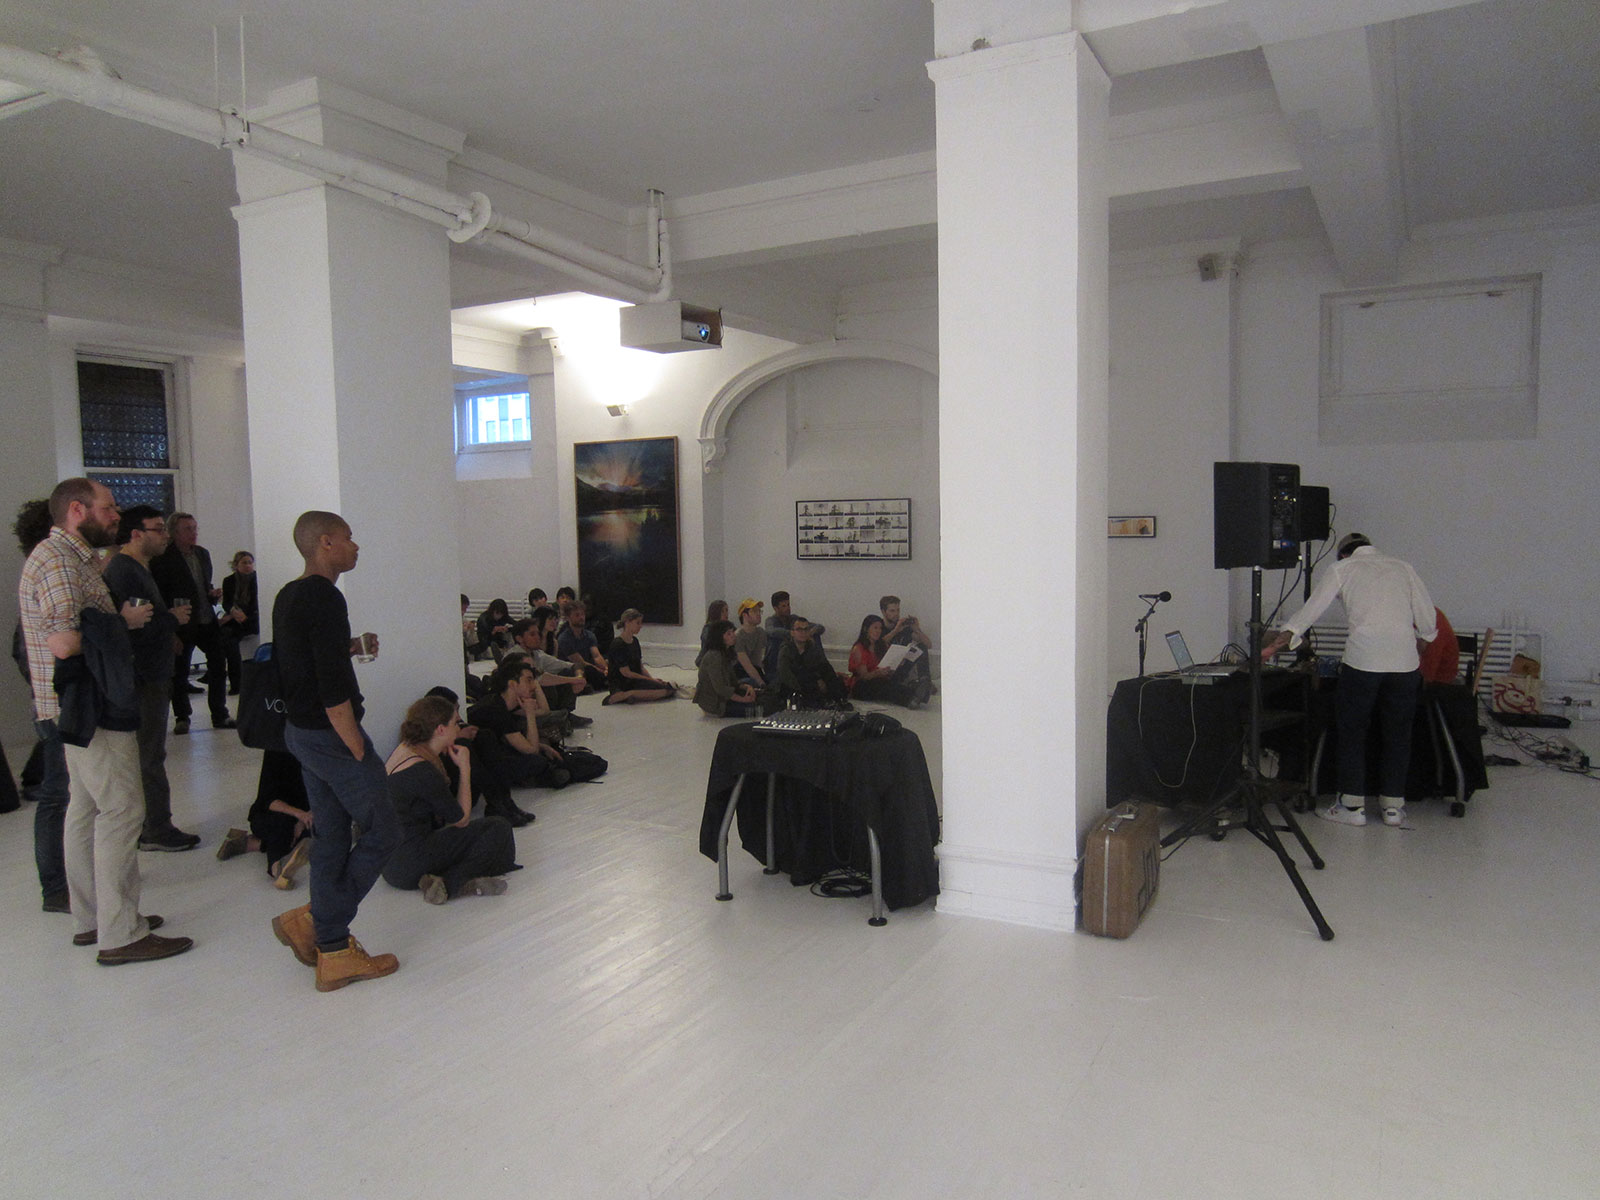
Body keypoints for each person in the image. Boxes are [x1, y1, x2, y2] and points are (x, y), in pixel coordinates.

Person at [18, 478, 192, 963]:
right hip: (89, 707)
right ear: (78, 510)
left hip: (78, 705)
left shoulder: (72, 558)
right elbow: (63, 643)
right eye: (109, 507)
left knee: (86, 808)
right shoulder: (58, 561)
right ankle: (121, 933)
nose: (116, 515)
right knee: (121, 810)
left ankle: (92, 918)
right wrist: (124, 622)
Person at [268, 510, 401, 992]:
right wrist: (356, 746)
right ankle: (320, 925)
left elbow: (301, 659)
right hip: (331, 736)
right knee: (385, 830)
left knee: (330, 835)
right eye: (348, 537)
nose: (355, 545)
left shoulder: (290, 595)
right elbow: (330, 686)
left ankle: (328, 943)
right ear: (325, 543)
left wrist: (350, 645)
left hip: (301, 733)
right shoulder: (326, 597)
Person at [1261, 532, 1437, 829]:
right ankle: (1393, 807)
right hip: (1405, 664)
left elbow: (1311, 610)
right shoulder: (1403, 567)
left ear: (1343, 554)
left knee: (1353, 731)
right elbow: (1428, 620)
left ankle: (1352, 806)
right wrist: (1416, 646)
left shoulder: (1342, 569)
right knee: (1398, 734)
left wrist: (1277, 644)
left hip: (1363, 661)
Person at [100, 504, 201, 851]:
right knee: (148, 755)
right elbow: (138, 625)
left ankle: (154, 824)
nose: (165, 536)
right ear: (136, 534)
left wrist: (168, 628)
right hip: (143, 676)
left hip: (152, 672)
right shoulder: (125, 570)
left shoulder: (138, 567)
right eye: (158, 529)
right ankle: (155, 828)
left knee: (151, 752)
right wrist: (171, 619)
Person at [381, 694, 516, 904]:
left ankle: (438, 879)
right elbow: (461, 819)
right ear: (440, 729)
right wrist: (465, 767)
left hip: (389, 863)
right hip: (409, 863)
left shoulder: (405, 749)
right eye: (455, 723)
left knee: (481, 837)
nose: (458, 727)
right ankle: (452, 882)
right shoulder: (422, 769)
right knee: (499, 829)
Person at [13, 497, 71, 912]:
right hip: (58, 704)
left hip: (53, 702)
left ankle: (68, 881)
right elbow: (29, 650)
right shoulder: (48, 569)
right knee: (57, 796)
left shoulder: (41, 567)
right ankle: (56, 887)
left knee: (64, 796)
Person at [151, 511, 233, 732]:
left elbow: (202, 586)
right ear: (174, 532)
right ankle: (182, 717)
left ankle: (220, 714)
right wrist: (170, 631)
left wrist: (212, 594)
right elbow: (161, 594)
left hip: (206, 619)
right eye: (188, 529)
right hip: (182, 623)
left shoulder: (202, 554)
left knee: (218, 666)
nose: (193, 533)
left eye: (195, 528)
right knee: (180, 671)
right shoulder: (163, 558)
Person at [466, 658, 570, 805]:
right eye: (529, 680)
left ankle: (539, 776)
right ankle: (534, 778)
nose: (534, 686)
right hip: (484, 765)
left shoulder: (502, 702)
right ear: (513, 684)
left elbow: (544, 711)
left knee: (542, 753)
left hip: (495, 753)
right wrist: (529, 713)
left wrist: (542, 746)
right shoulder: (496, 709)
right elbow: (531, 750)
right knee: (536, 760)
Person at [216, 748, 314, 888]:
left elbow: (322, 795)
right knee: (283, 826)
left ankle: (251, 843)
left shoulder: (315, 752)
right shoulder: (276, 752)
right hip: (270, 814)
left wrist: (302, 822)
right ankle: (277, 869)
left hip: (300, 817)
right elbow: (269, 801)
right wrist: (299, 815)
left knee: (318, 831)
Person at [509, 614, 592, 724]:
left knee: (567, 672)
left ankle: (564, 714)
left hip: (533, 697)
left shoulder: (537, 654)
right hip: (519, 704)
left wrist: (579, 677)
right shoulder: (515, 656)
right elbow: (540, 678)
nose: (538, 637)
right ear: (519, 639)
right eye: (532, 634)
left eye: (538, 633)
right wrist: (573, 680)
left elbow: (574, 665)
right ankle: (555, 716)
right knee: (548, 684)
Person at [849, 614, 931, 708]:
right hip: (863, 684)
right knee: (883, 686)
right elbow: (864, 676)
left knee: (889, 681)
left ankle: (918, 691)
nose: (878, 631)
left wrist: (897, 663)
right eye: (875, 628)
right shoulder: (859, 648)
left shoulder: (879, 644)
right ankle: (911, 697)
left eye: (880, 628)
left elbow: (928, 645)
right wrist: (877, 673)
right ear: (866, 629)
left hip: (881, 676)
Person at [604, 608, 676, 703]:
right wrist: (649, 680)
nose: (640, 626)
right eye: (637, 623)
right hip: (623, 683)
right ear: (627, 622)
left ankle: (630, 696)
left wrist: (651, 680)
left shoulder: (635, 641)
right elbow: (626, 673)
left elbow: (640, 667)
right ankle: (623, 695)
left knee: (668, 689)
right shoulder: (618, 644)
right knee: (664, 692)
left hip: (635, 680)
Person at [775, 616, 848, 706]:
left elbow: (824, 666)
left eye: (806, 629)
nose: (803, 632)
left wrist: (822, 680)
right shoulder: (786, 649)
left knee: (832, 677)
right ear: (792, 633)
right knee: (807, 682)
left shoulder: (812, 647)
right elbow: (784, 674)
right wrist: (804, 687)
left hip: (811, 681)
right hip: (793, 686)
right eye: (799, 629)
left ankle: (838, 701)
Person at [694, 620, 759, 717]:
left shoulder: (725, 653)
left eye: (733, 632)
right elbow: (720, 689)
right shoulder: (714, 656)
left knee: (751, 683)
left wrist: (747, 687)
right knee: (755, 708)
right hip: (715, 702)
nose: (733, 635)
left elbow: (733, 681)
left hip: (723, 695)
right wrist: (743, 700)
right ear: (719, 637)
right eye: (728, 634)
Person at [218, 550, 259, 695]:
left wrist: (241, 614)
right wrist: (233, 612)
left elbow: (256, 604)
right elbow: (227, 603)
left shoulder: (257, 579)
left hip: (252, 618)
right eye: (244, 563)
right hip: (236, 618)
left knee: (229, 636)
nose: (248, 566)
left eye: (250, 563)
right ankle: (236, 682)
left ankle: (238, 681)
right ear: (236, 565)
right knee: (226, 638)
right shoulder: (229, 581)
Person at [875, 595, 934, 692]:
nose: (896, 614)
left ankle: (925, 682)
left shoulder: (903, 627)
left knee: (921, 647)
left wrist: (916, 629)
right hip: (884, 670)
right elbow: (877, 645)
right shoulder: (877, 627)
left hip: (901, 666)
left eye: (898, 610)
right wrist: (896, 631)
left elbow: (928, 645)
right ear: (883, 611)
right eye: (892, 611)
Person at [556, 602, 610, 691]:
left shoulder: (589, 635)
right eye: (577, 615)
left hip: (588, 665)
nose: (581, 617)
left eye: (582, 614)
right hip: (573, 669)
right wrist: (599, 670)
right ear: (568, 618)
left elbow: (596, 656)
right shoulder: (564, 638)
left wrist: (606, 669)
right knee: (587, 670)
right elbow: (579, 661)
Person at [733, 598, 767, 688]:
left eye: (759, 611)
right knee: (751, 682)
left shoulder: (760, 632)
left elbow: (759, 659)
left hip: (756, 669)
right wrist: (762, 683)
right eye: (754, 611)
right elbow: (746, 665)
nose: (758, 614)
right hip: (740, 672)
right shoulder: (738, 636)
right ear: (745, 615)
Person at [696, 600, 729, 666]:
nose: (726, 613)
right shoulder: (708, 628)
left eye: (727, 610)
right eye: (722, 611)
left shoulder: (727, 627)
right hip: (708, 662)